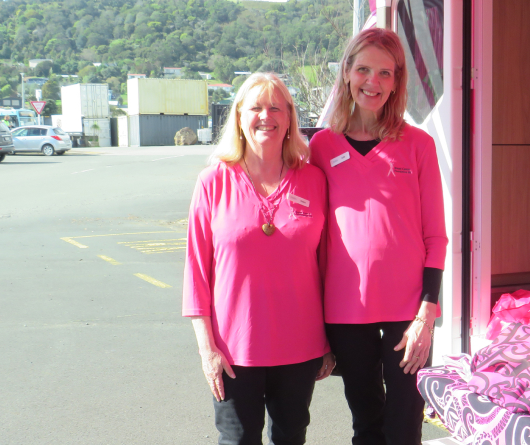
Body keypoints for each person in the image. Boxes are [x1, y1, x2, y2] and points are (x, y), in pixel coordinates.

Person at [309, 28, 448, 445]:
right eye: (364, 69)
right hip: (345, 309)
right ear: (347, 74)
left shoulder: (418, 145)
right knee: (366, 420)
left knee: (406, 420)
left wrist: (426, 316)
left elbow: (436, 237)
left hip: (409, 311)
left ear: (397, 80)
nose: (373, 82)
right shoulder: (320, 145)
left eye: (385, 73)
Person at [183, 72, 335, 445]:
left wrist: (330, 340)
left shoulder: (314, 180)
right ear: (238, 117)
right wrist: (207, 349)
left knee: (291, 437)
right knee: (237, 439)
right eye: (255, 108)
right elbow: (197, 273)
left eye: (275, 108)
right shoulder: (213, 181)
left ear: (289, 119)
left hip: (299, 347)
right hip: (234, 349)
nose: (265, 116)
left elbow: (328, 266)